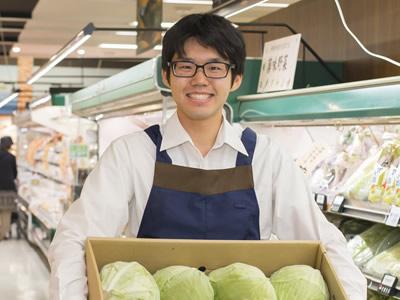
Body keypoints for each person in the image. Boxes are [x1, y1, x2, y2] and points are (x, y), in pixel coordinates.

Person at [49, 13, 367, 299]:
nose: (200, 79)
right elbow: (74, 238)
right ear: (167, 75)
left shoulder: (267, 158)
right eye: (186, 66)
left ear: (236, 78)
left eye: (215, 67)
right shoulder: (131, 154)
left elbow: (325, 244)